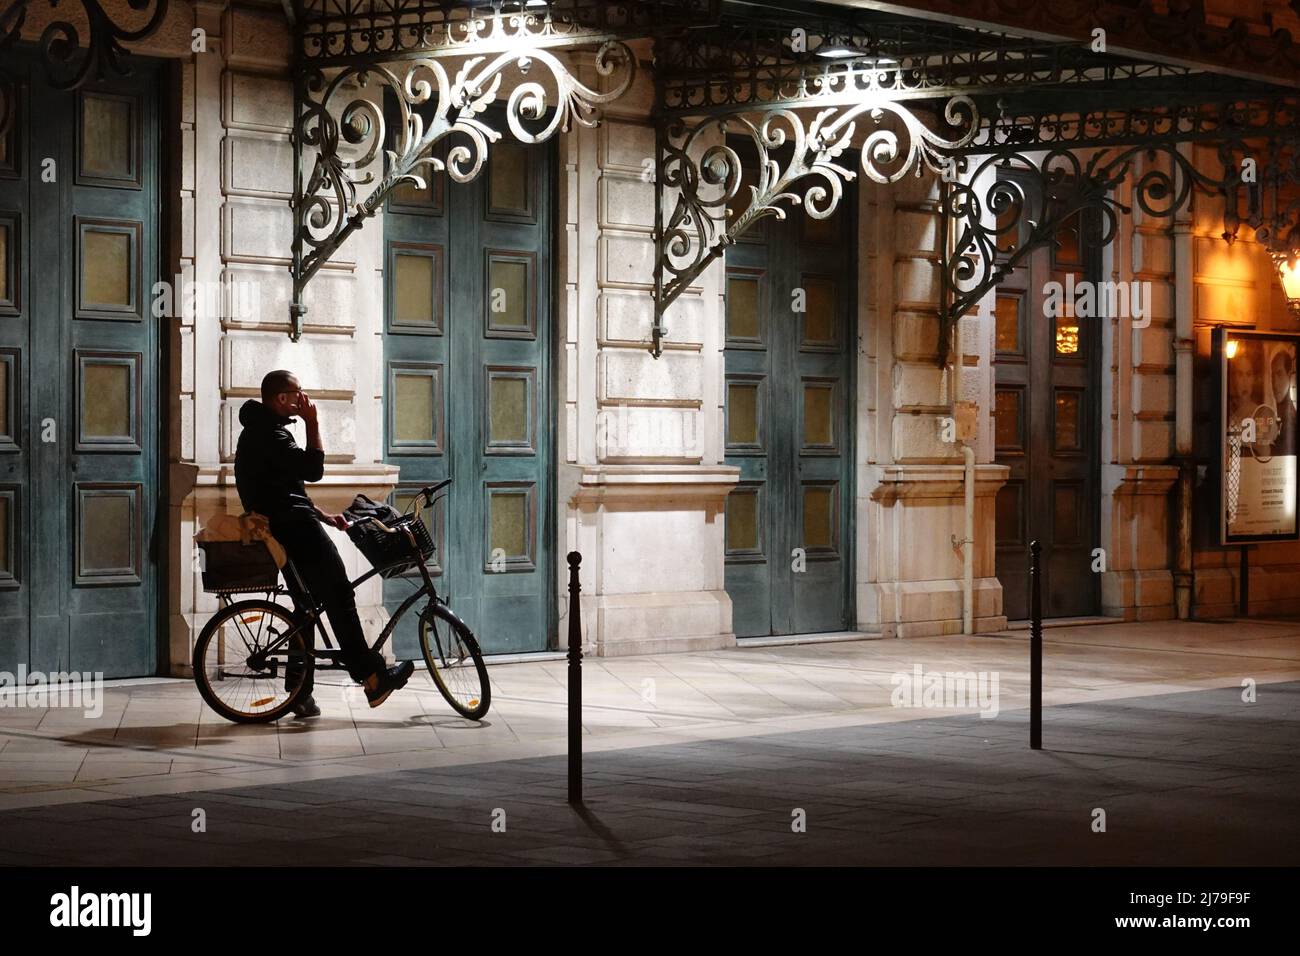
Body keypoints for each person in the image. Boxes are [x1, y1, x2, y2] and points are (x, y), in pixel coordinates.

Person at [234, 370, 413, 716]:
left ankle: (299, 692)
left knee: (306, 608)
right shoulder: (272, 434)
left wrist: (322, 514)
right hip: (296, 530)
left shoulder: (259, 431)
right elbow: (313, 470)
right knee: (340, 596)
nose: (304, 401)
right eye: (297, 394)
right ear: (280, 399)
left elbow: (285, 489)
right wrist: (313, 422)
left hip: (289, 526)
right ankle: (372, 678)